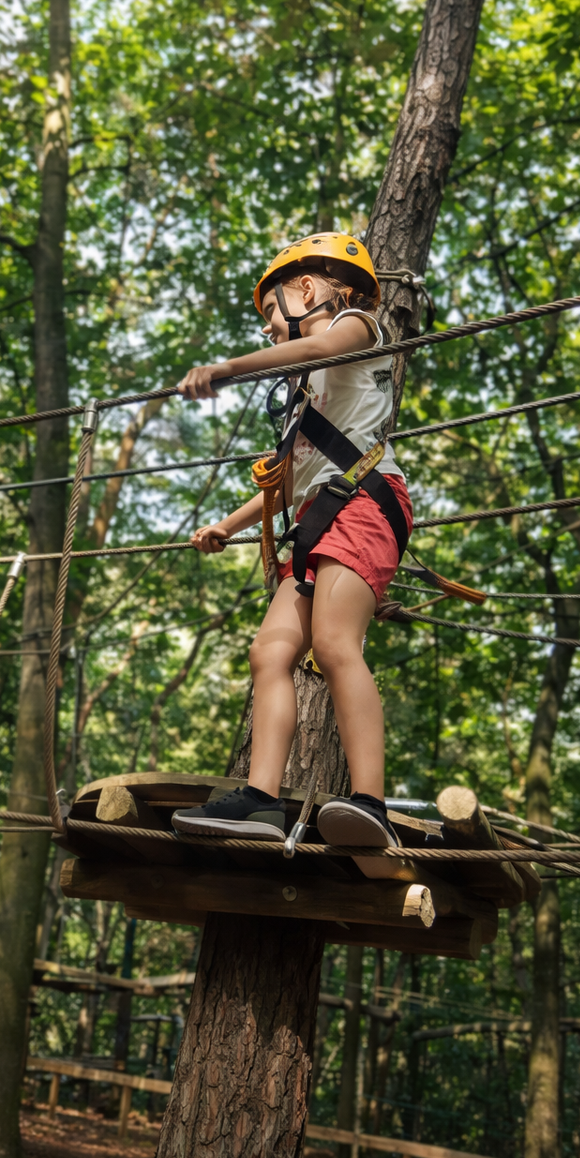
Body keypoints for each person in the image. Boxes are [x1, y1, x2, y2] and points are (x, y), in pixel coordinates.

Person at [170, 233, 413, 852]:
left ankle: (370, 802)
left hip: (364, 501)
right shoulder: (306, 394)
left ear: (307, 288)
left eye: (271, 312)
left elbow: (321, 345)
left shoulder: (357, 327)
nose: (269, 329)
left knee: (334, 644)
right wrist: (229, 524)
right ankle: (261, 799)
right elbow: (290, 479)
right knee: (269, 652)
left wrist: (226, 369)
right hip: (316, 515)